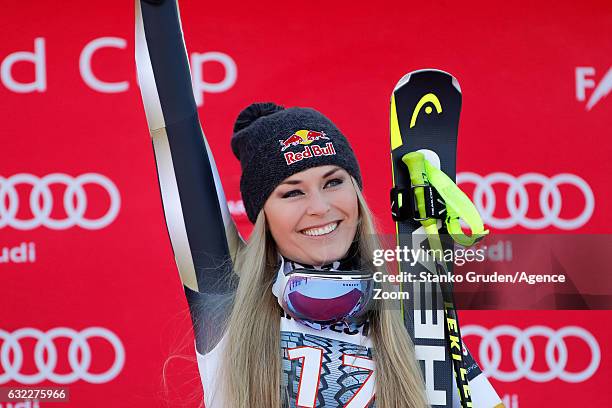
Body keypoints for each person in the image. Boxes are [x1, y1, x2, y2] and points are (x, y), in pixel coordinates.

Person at [197, 102, 428, 408]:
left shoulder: (411, 317)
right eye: (292, 192)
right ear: (264, 215)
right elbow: (170, 130)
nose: (320, 207)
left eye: (333, 182)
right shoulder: (228, 310)